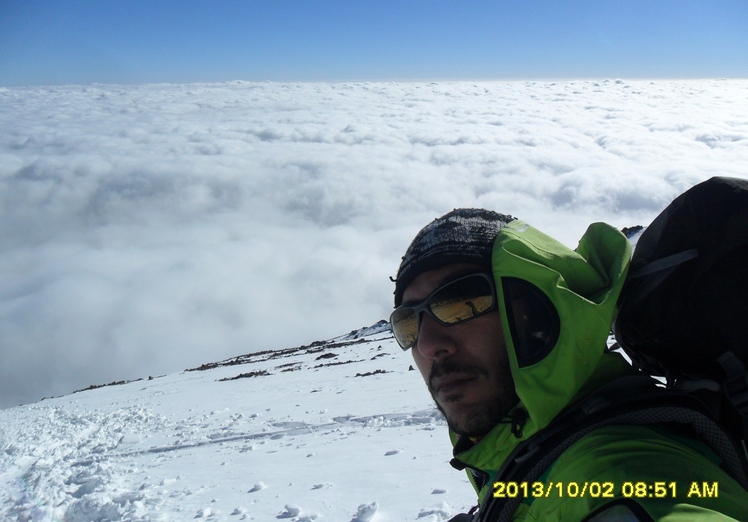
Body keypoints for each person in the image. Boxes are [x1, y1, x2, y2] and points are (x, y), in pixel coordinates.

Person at [390, 208, 748, 521]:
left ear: (536, 310)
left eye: (461, 301)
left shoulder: (619, 473)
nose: (428, 345)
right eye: (408, 323)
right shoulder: (521, 447)